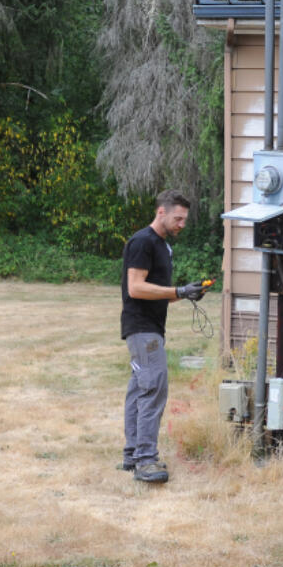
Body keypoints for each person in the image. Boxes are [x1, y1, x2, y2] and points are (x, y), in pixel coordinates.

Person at [119, 189, 207, 483]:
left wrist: (186, 292)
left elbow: (158, 294)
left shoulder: (162, 246)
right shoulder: (143, 242)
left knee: (140, 389)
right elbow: (136, 288)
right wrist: (177, 291)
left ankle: (133, 455)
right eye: (177, 218)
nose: (181, 224)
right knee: (153, 388)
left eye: (184, 219)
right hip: (141, 328)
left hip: (150, 326)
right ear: (161, 212)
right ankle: (145, 460)